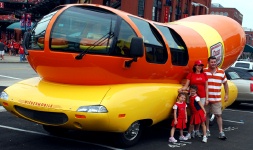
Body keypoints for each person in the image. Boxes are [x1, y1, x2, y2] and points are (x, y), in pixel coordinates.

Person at [178, 60, 208, 138]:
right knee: (193, 114)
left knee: (199, 114)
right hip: (192, 96)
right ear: (195, 66)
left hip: (201, 96)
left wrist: (207, 98)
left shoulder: (204, 74)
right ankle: (191, 131)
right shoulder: (191, 74)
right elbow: (186, 86)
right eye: (198, 65)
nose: (200, 67)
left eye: (201, 65)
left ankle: (196, 130)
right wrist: (182, 89)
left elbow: (206, 87)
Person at [204, 56, 228, 140]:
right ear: (208, 63)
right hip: (206, 98)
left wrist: (226, 94)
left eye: (214, 62)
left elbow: (225, 83)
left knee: (218, 115)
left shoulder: (221, 72)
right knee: (206, 114)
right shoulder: (204, 71)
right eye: (212, 62)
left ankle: (221, 132)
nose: (213, 63)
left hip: (216, 98)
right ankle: (207, 130)